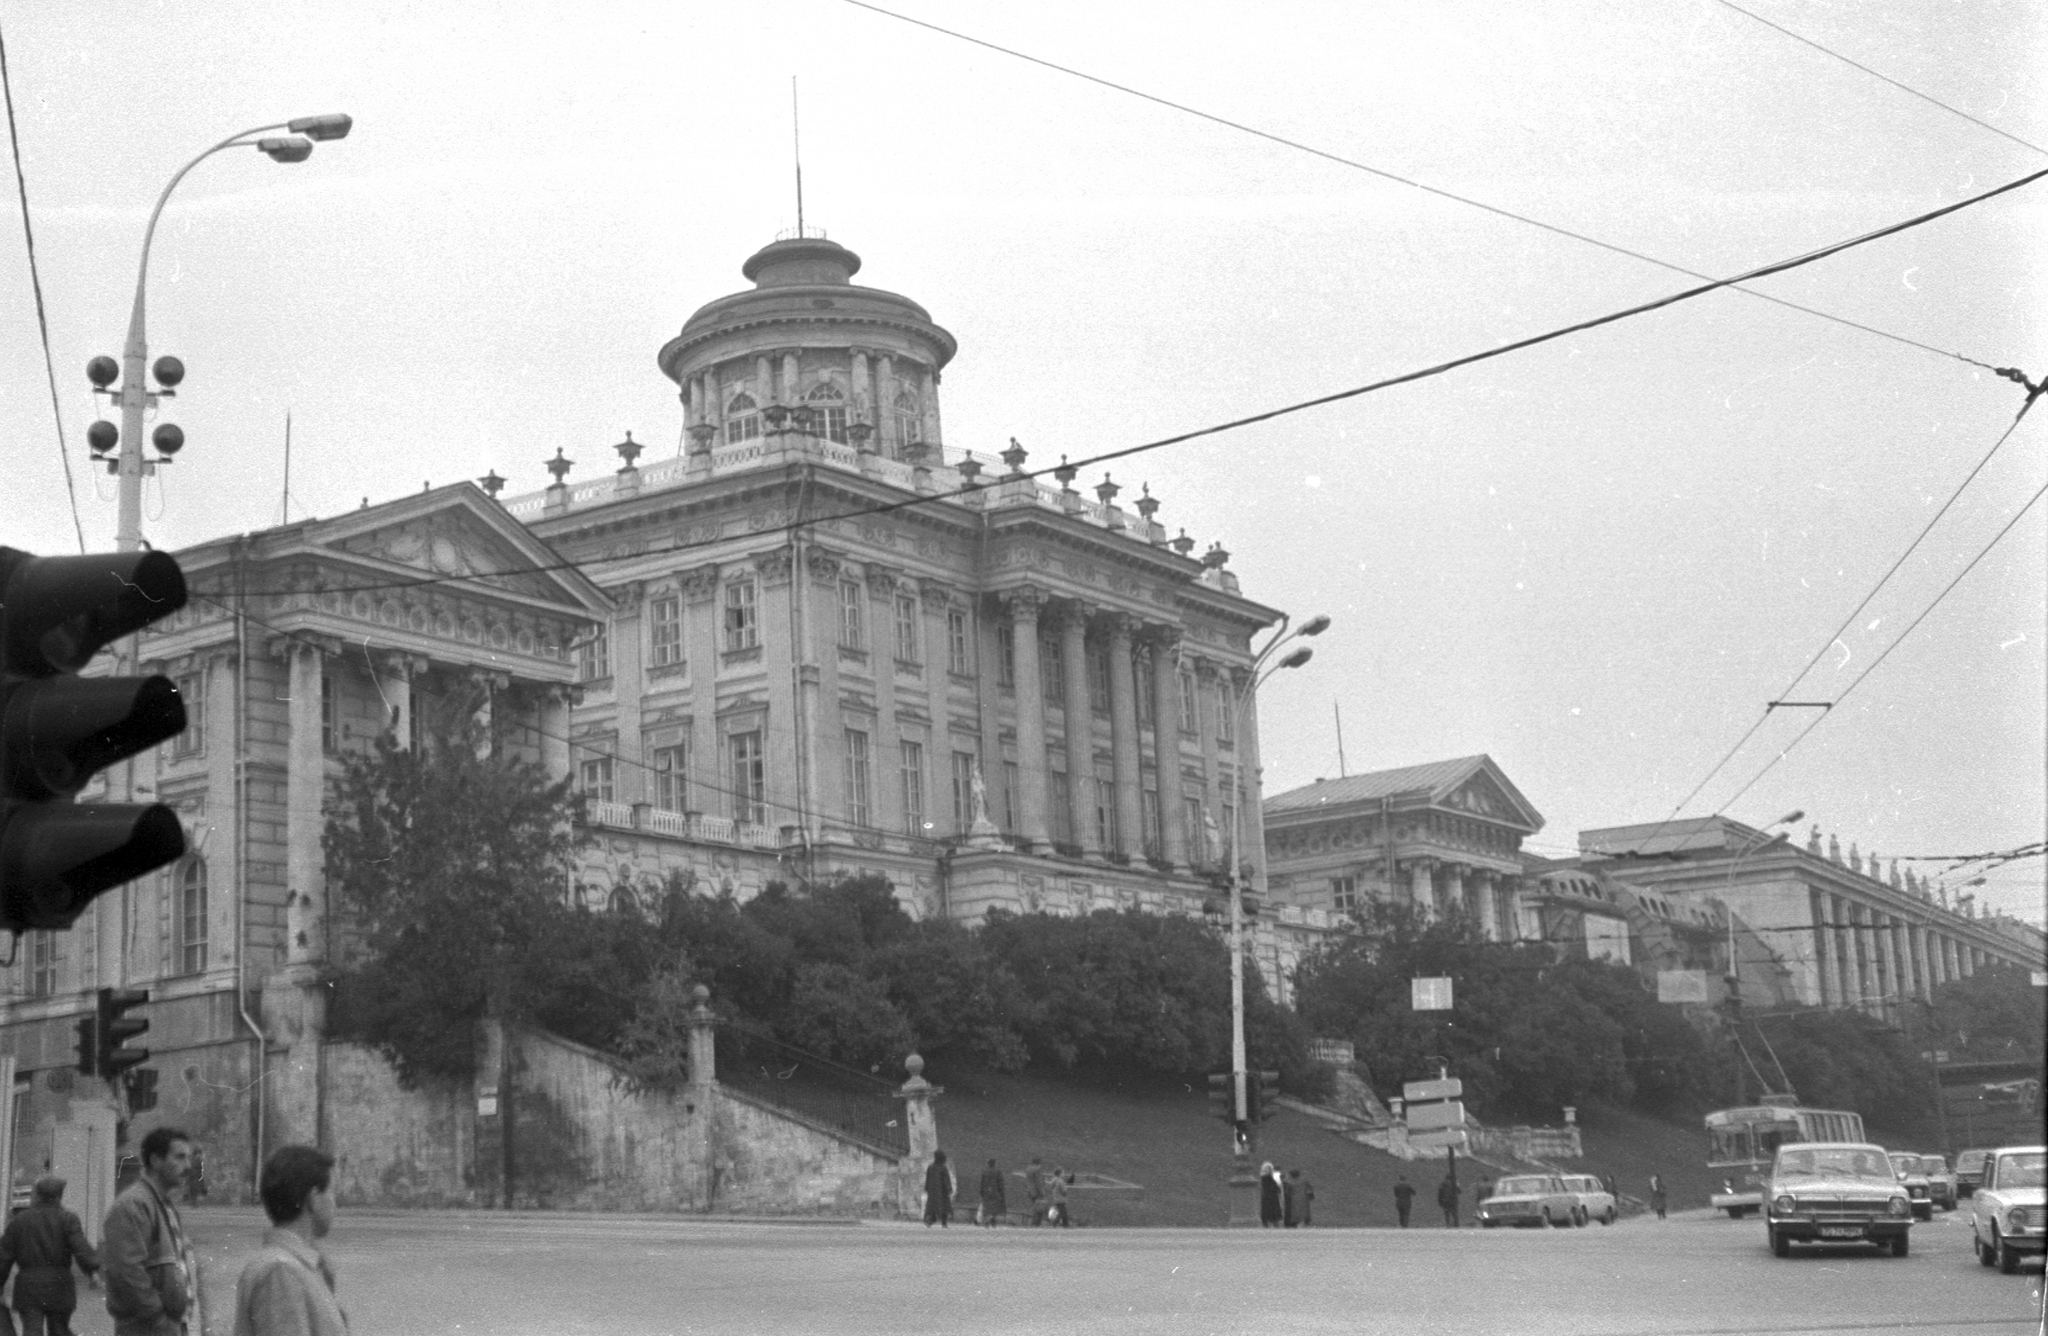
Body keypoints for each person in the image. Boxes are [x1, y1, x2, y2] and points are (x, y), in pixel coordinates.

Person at [232, 1145, 347, 1336]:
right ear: (314, 1199)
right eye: (331, 1192)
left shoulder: (295, 1265)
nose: (335, 1203)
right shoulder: (281, 1271)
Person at [102, 1127, 200, 1336]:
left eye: (189, 1158)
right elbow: (127, 1272)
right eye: (180, 1157)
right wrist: (159, 1320)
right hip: (146, 1328)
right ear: (156, 1160)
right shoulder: (133, 1205)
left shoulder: (162, 1203)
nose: (188, 1166)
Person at [0, 1176, 101, 1336]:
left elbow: (4, 1256)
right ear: (59, 1196)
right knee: (59, 1331)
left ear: (36, 1195)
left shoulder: (19, 1221)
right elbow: (80, 1247)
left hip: (28, 1288)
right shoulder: (68, 1219)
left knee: (32, 1331)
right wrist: (92, 1270)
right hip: (60, 1286)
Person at [922, 1150, 956, 1228]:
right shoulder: (943, 1168)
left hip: (933, 1191)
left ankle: (930, 1221)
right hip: (942, 1192)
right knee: (943, 1208)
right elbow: (946, 1180)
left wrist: (927, 1188)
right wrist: (949, 1189)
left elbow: (928, 1179)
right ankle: (944, 1223)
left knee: (933, 1208)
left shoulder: (931, 1167)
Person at [977, 1158, 1006, 1227]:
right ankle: (993, 1220)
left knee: (986, 1206)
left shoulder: (984, 1171)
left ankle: (987, 1220)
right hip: (995, 1191)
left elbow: (982, 1182)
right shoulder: (998, 1171)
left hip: (986, 1191)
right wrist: (1001, 1192)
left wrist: (981, 1192)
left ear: (988, 1163)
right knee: (994, 1206)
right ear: (994, 1163)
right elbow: (1000, 1183)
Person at [1258, 1162, 1283, 1227]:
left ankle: (1267, 1223)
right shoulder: (1269, 1178)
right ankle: (1274, 1223)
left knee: (1266, 1210)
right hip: (1272, 1196)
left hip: (1266, 1196)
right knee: (1273, 1210)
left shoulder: (1263, 1178)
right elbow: (1274, 1187)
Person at [1024, 1157, 1047, 1226]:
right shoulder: (1037, 1170)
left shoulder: (1028, 1169)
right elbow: (1039, 1182)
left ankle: (1034, 1223)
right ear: (1038, 1163)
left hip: (1030, 1191)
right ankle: (1036, 1223)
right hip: (1037, 1192)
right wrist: (1043, 1193)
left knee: (1035, 1206)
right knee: (1039, 1208)